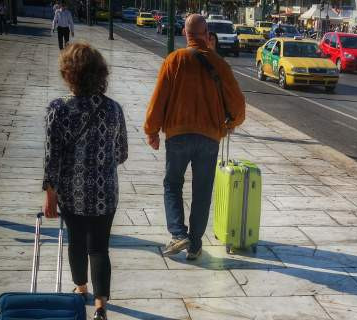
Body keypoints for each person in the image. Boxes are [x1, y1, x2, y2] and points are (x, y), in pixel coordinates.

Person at [144, 14, 245, 260]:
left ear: (185, 33)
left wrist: (151, 130)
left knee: (172, 184)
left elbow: (159, 100)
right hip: (209, 137)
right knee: (202, 190)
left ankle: (179, 234)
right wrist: (229, 124)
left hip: (178, 134)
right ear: (206, 33)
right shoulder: (220, 63)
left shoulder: (174, 60)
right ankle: (196, 244)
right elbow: (239, 105)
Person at [42, 42, 128, 320]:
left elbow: (52, 157)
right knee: (99, 246)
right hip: (105, 191)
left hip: (72, 193)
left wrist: (50, 194)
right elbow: (121, 153)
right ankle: (101, 306)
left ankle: (81, 289)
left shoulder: (59, 109)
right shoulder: (114, 109)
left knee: (76, 242)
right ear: (100, 73)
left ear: (69, 74)